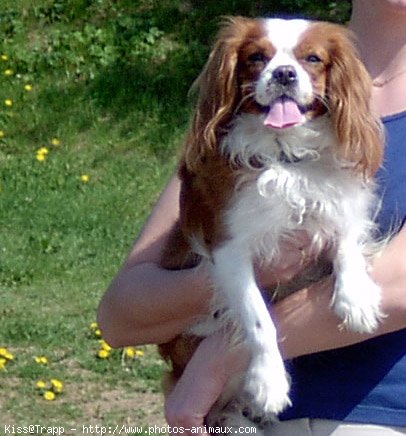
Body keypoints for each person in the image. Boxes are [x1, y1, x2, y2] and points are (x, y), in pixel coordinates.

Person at [97, 0, 406, 434]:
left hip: (378, 413)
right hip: (239, 413)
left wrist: (219, 359)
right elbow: (120, 316)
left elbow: (397, 288)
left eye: (309, 60)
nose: (282, 70)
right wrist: (241, 276)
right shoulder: (230, 147)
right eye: (260, 59)